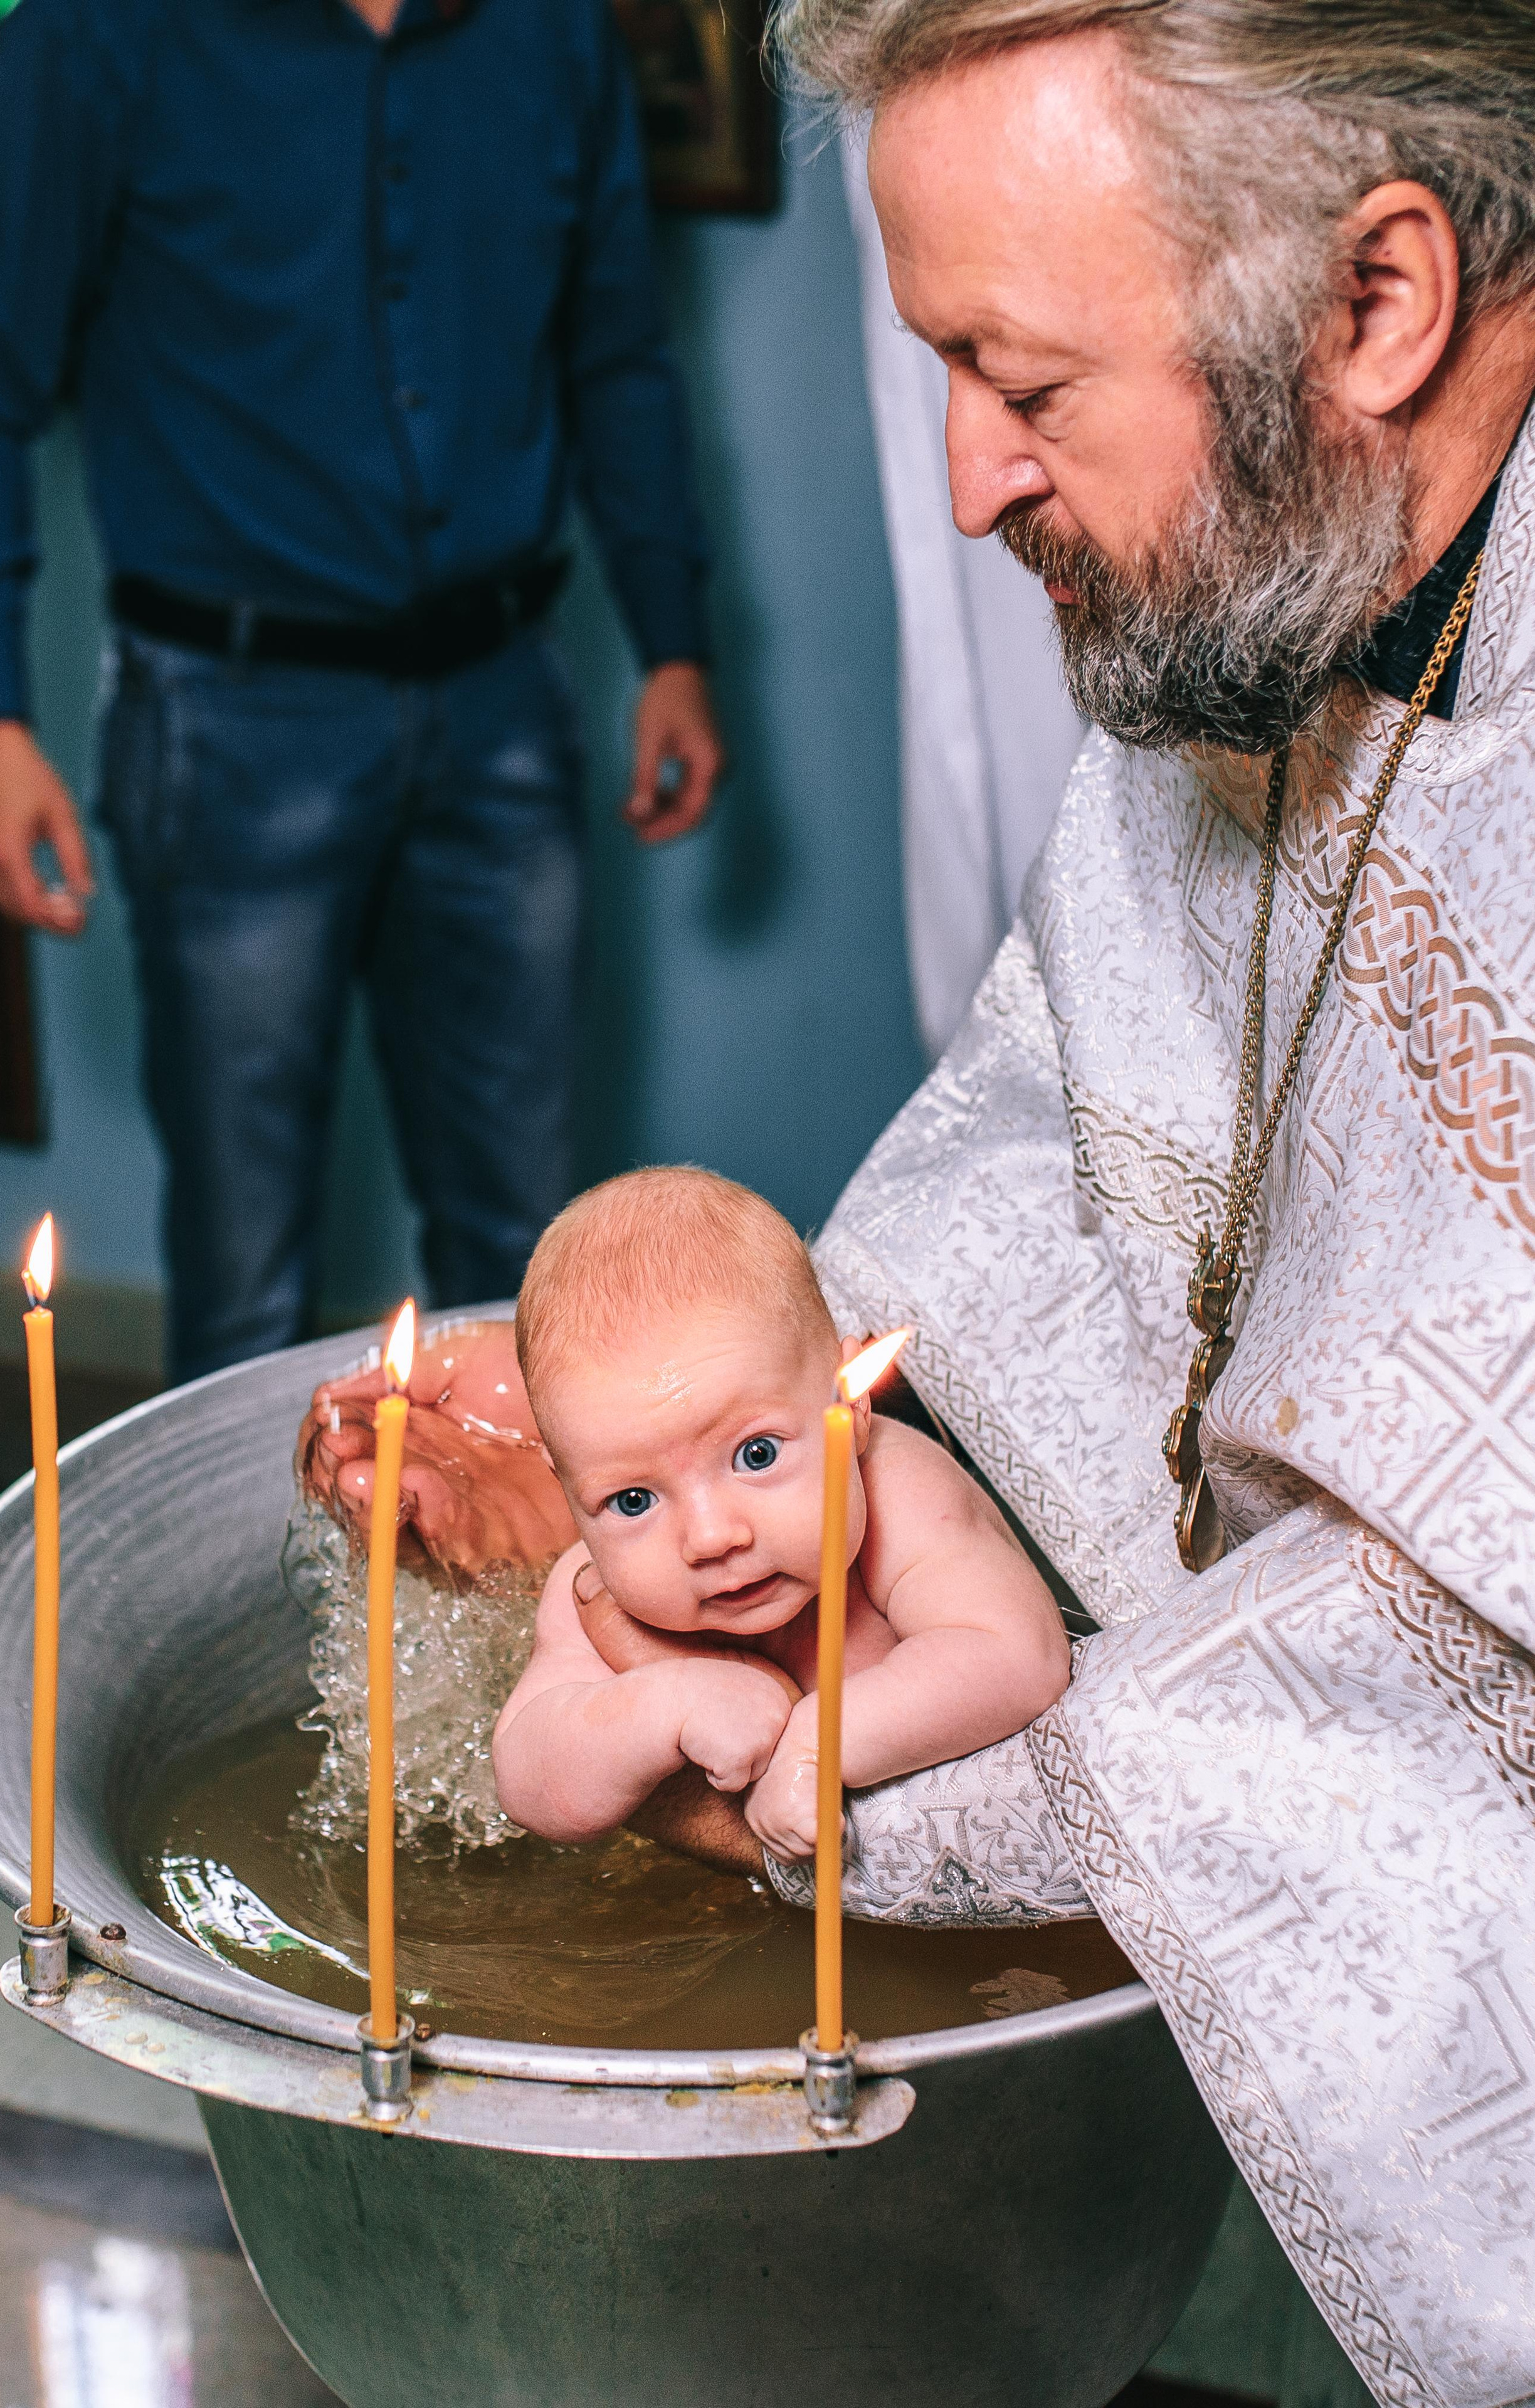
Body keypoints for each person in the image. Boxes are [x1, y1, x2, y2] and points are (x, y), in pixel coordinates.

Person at [732, 3, 1532, 2400]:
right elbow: (1034, 1135)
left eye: (1021, 380)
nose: (968, 481)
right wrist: (740, 1440)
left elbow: (1422, 1679)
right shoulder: (1277, 585)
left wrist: (776, 1791)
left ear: (1371, 303)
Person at [0, 0, 724, 1382]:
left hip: (503, 705)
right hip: (226, 722)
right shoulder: (97, 36)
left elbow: (617, 351)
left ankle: (516, 1601)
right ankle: (263, 1601)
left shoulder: (548, 35)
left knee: (525, 1261)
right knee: (243, 1280)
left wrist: (674, 641)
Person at [490, 1167, 1068, 1852]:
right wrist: (661, 1709)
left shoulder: (899, 1491)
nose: (710, 1537)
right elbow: (533, 1789)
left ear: (849, 1409)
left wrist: (819, 1745)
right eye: (632, 1499)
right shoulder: (586, 1588)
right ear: (566, 1485)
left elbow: (1018, 1657)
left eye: (756, 1455)